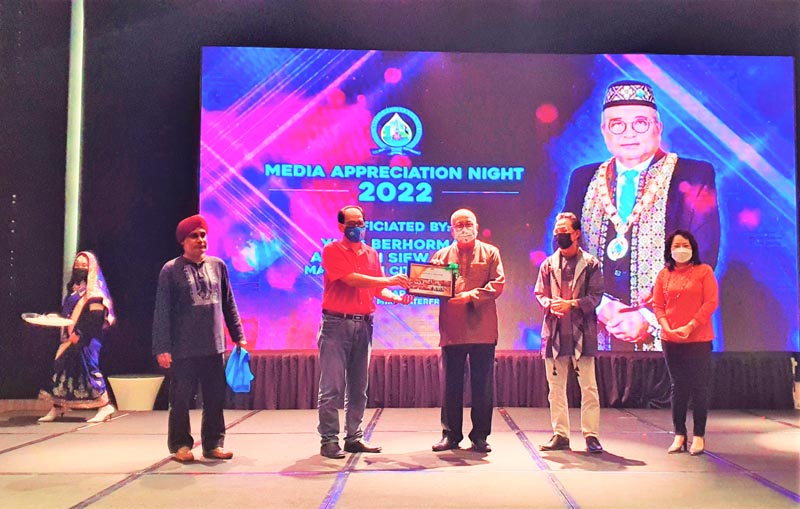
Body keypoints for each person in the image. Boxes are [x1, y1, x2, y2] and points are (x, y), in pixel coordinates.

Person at [563, 80, 719, 351]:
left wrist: (648, 317)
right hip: (595, 332)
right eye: (617, 124)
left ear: (658, 127)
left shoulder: (693, 175)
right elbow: (565, 251)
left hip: (670, 336)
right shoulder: (583, 178)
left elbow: (701, 257)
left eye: (640, 123)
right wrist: (599, 305)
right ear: (604, 131)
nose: (628, 134)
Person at [317, 205, 413, 459]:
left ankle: (354, 437)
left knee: (359, 387)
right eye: (352, 224)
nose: (358, 228)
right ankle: (329, 440)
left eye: (361, 223)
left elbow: (378, 289)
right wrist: (389, 280)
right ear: (341, 226)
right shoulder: (332, 250)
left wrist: (396, 297)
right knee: (332, 387)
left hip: (364, 324)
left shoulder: (372, 253)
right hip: (336, 324)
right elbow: (352, 279)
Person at [152, 214, 247, 463]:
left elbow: (229, 303)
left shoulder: (218, 266)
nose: (200, 240)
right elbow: (162, 311)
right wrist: (162, 347)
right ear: (183, 241)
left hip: (214, 346)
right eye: (194, 236)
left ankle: (214, 444)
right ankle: (181, 445)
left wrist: (238, 335)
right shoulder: (171, 270)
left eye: (203, 235)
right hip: (183, 348)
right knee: (181, 400)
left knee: (215, 398)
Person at [430, 208, 505, 454]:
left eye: (468, 223)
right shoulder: (441, 256)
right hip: (452, 329)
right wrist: (429, 277)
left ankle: (480, 436)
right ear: (451, 230)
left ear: (476, 225)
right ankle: (450, 435)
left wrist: (470, 296)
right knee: (451, 385)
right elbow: (430, 285)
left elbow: (498, 284)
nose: (464, 228)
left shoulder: (491, 252)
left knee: (482, 385)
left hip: (483, 329)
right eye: (459, 224)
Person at [535, 212, 604, 453]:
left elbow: (595, 297)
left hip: (582, 333)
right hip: (554, 333)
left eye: (563, 231)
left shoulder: (591, 264)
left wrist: (571, 304)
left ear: (576, 234)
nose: (559, 235)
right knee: (555, 389)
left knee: (589, 388)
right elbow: (540, 293)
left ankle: (591, 435)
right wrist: (550, 305)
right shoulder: (548, 264)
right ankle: (560, 434)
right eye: (557, 232)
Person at [652, 229, 718, 456]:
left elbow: (710, 302)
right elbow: (658, 305)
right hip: (670, 339)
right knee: (678, 386)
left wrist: (691, 325)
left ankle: (699, 435)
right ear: (669, 250)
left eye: (686, 245)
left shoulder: (704, 271)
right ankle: (679, 434)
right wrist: (666, 327)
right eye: (677, 246)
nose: (681, 250)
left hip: (699, 338)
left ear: (693, 248)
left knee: (699, 386)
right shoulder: (664, 275)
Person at [39, 251, 116, 423]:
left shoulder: (94, 292)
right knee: (61, 370)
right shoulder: (75, 288)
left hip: (87, 339)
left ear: (91, 268)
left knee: (88, 370)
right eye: (77, 265)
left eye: (84, 265)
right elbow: (68, 313)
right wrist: (56, 319)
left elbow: (95, 319)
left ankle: (105, 406)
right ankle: (58, 406)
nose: (80, 268)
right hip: (69, 338)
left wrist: (80, 335)